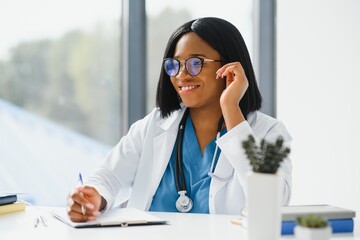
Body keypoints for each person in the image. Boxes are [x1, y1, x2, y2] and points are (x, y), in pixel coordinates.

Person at [67, 17, 292, 222]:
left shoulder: (268, 132)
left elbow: (272, 204)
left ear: (229, 66)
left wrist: (230, 107)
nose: (182, 75)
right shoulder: (153, 126)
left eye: (196, 63)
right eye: (175, 65)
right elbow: (108, 177)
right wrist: (93, 197)